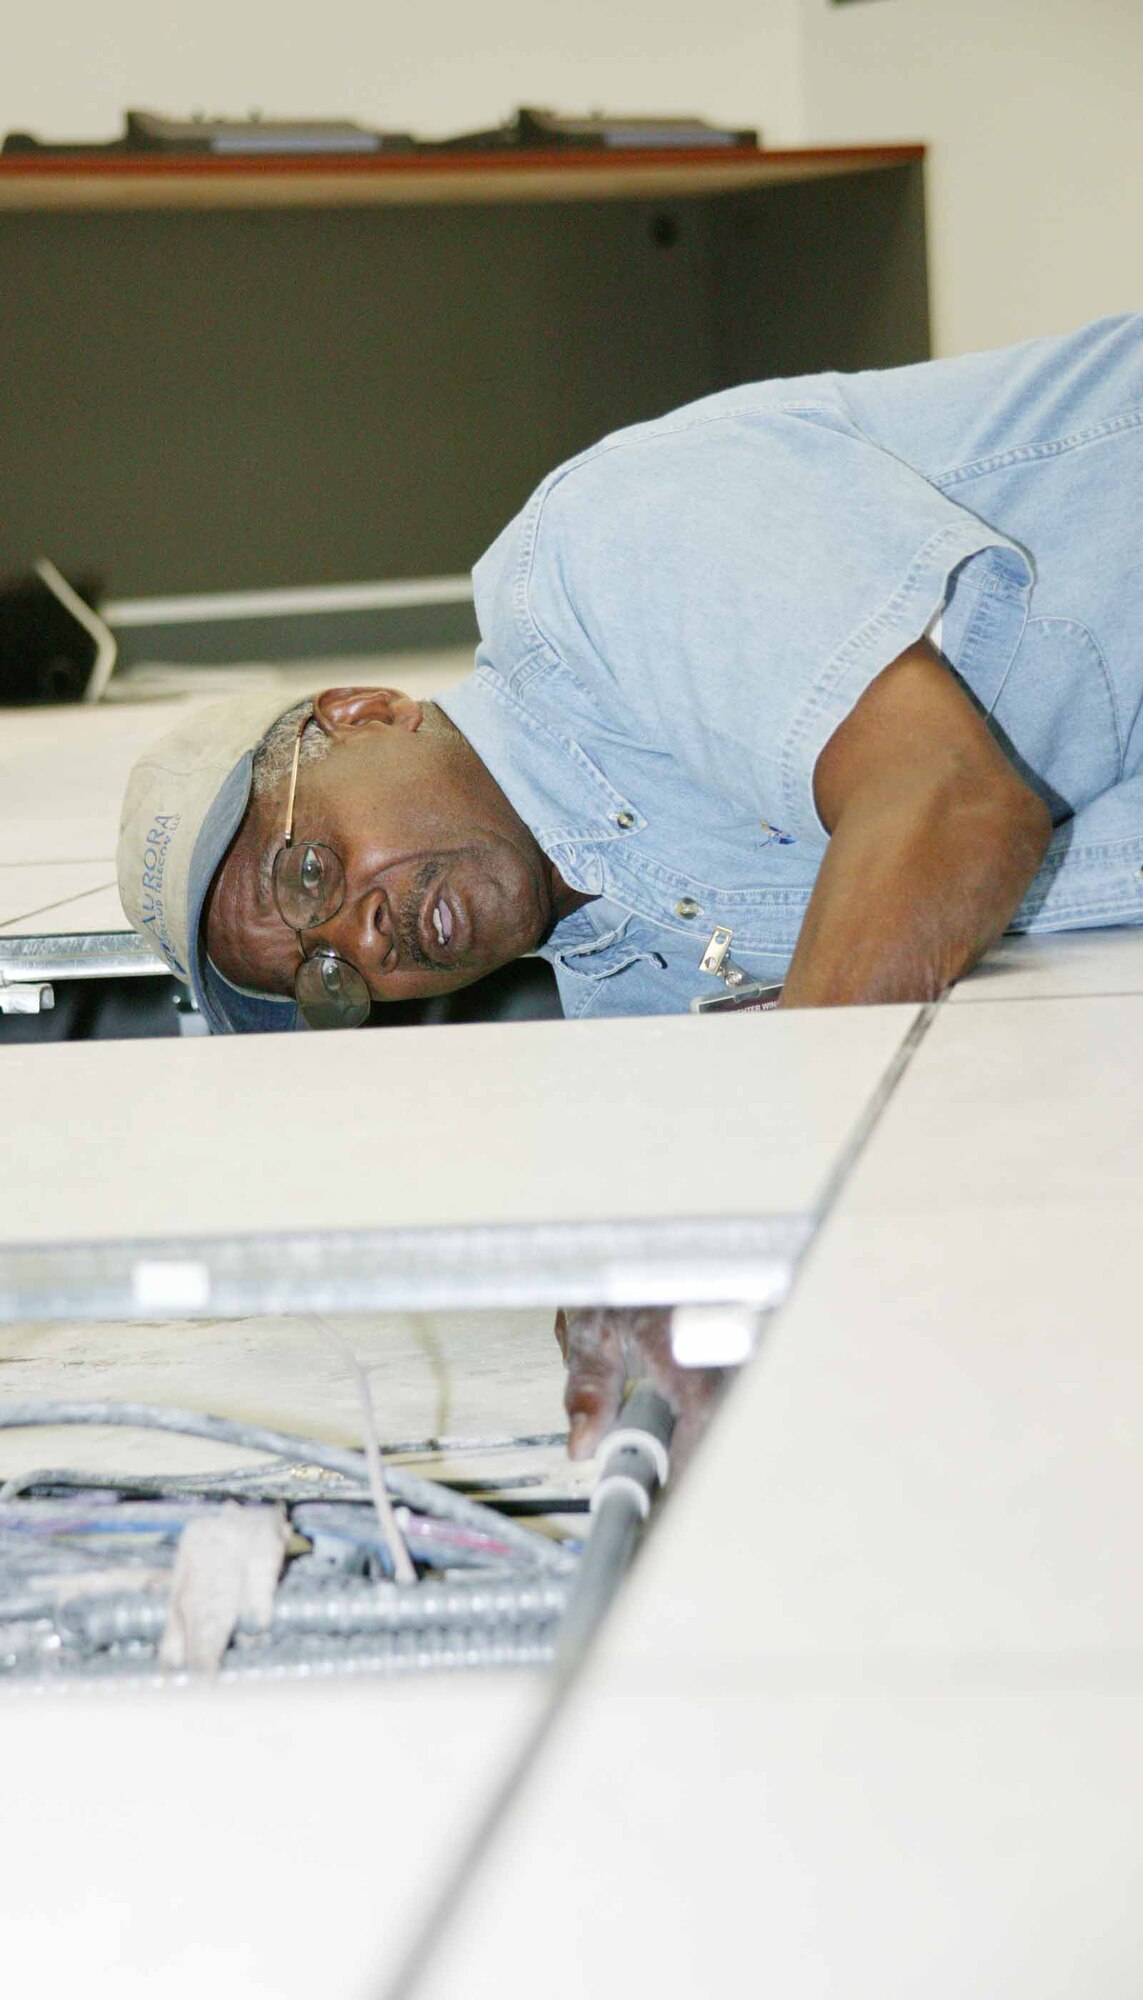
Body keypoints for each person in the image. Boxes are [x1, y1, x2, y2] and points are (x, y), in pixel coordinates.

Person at [118, 311, 1142, 1456]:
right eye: (327, 979)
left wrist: (758, 1224)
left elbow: (947, 803)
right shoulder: (630, 986)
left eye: (310, 871)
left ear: (359, 714)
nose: (364, 940)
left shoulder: (596, 562)